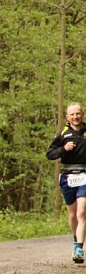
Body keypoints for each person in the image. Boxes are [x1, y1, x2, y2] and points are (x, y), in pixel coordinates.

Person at [47, 102, 86, 263]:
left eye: (78, 113)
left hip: (84, 174)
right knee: (72, 214)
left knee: (82, 212)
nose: (76, 117)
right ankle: (75, 239)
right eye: (72, 114)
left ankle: (79, 248)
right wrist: (64, 149)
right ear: (67, 117)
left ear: (82, 114)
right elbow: (50, 154)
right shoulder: (63, 134)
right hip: (67, 176)